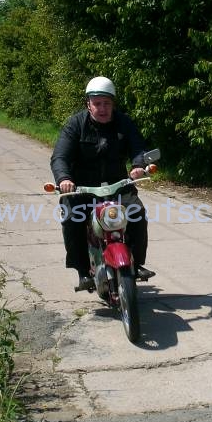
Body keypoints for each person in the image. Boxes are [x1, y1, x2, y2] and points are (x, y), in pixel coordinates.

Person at [50, 76, 155, 291]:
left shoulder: (124, 123)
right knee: (72, 218)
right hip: (82, 190)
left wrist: (138, 165)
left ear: (113, 104)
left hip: (118, 186)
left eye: (107, 103)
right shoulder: (75, 125)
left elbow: (138, 148)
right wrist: (64, 179)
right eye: (97, 103)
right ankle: (82, 272)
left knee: (136, 213)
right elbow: (60, 156)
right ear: (88, 104)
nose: (102, 108)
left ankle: (136, 262)